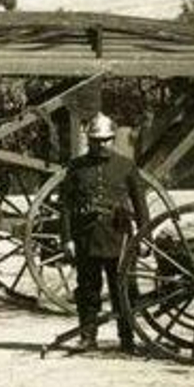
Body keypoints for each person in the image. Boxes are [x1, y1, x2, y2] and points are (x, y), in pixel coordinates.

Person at [60, 112, 151, 354]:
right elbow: (66, 206)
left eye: (106, 140)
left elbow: (140, 204)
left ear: (113, 139)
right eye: (96, 140)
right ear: (89, 141)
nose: (101, 145)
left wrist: (144, 238)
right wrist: (67, 238)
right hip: (86, 238)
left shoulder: (126, 166)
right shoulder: (76, 167)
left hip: (118, 238)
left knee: (122, 290)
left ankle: (127, 339)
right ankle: (88, 337)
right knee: (87, 290)